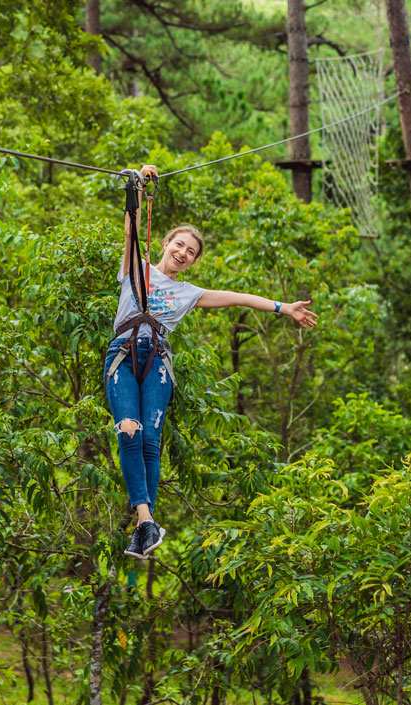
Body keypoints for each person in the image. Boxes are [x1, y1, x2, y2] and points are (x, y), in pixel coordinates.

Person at [104, 165, 319, 560]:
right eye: (179, 245)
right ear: (166, 243)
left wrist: (283, 307)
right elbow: (131, 232)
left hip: (157, 362)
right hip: (123, 354)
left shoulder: (189, 293)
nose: (183, 253)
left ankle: (144, 525)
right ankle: (145, 521)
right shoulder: (136, 268)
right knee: (129, 430)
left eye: (191, 252)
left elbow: (238, 297)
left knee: (150, 441)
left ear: (193, 261)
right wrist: (135, 186)